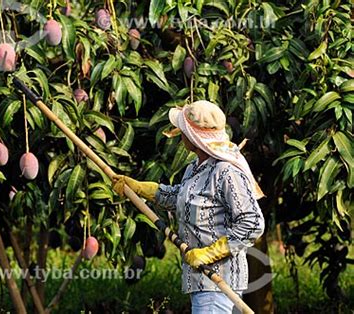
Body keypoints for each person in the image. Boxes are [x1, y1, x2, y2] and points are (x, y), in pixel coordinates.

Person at [113, 100, 265, 313]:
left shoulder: (226, 172)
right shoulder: (195, 168)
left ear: (195, 136)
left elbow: (253, 223)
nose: (180, 134)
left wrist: (210, 253)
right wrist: (139, 188)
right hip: (202, 282)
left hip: (219, 282)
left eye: (184, 129)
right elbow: (180, 198)